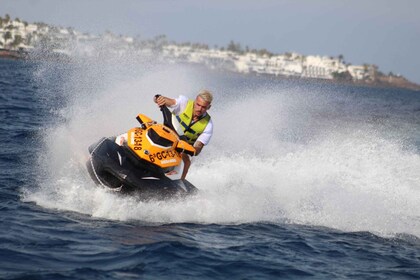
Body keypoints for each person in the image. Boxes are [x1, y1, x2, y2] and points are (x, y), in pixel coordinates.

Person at [154, 90, 214, 180]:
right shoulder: (184, 103)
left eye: (203, 107)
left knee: (186, 161)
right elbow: (168, 101)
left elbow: (198, 148)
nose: (199, 109)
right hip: (166, 137)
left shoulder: (208, 125)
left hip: (181, 150)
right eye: (198, 105)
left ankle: (179, 183)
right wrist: (159, 99)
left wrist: (190, 149)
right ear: (195, 101)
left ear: (208, 107)